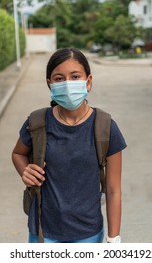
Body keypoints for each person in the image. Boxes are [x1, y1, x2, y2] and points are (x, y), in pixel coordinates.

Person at [12, 47, 127, 243]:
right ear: (50, 84)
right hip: (42, 233)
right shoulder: (37, 122)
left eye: (75, 76)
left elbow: (113, 190)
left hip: (88, 236)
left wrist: (113, 239)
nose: (67, 84)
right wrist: (25, 171)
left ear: (88, 82)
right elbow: (18, 153)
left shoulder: (105, 127)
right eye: (59, 79)